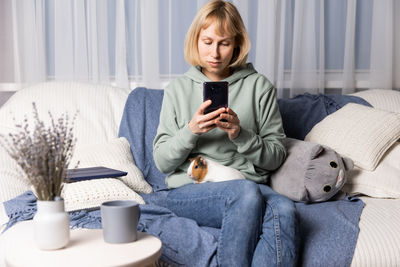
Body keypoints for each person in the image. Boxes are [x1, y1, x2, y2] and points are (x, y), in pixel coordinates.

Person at [153, 0, 298, 266]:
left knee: (285, 209)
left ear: (238, 44)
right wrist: (191, 131)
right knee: (244, 194)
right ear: (195, 41)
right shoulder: (177, 89)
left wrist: (240, 134)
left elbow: (276, 157)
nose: (215, 53)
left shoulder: (259, 87)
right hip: (191, 187)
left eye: (224, 43)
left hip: (249, 185)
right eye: (207, 42)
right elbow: (162, 162)